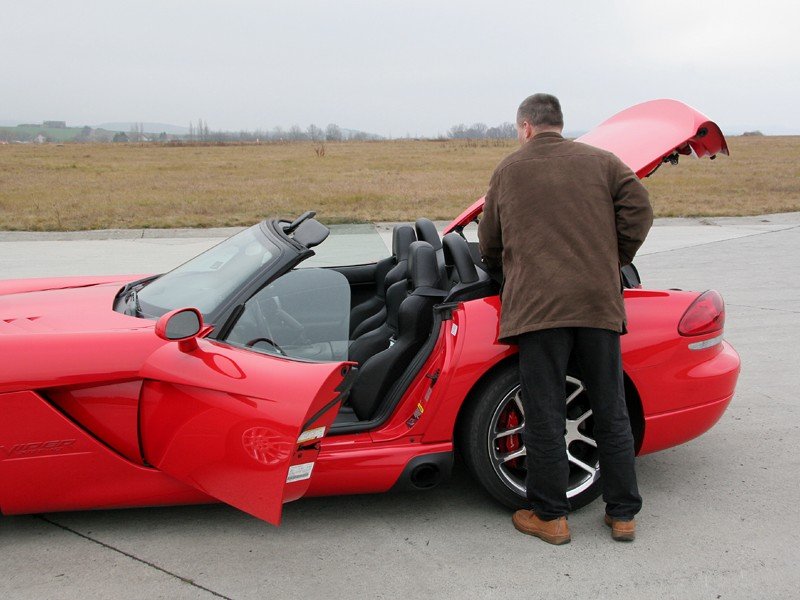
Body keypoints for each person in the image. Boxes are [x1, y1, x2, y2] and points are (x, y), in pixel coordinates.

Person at [478, 93, 653, 545]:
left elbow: (489, 239)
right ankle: (623, 514)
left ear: (525, 127)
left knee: (544, 411)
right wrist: (614, 257)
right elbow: (640, 209)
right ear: (559, 123)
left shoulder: (509, 170)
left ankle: (551, 517)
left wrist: (503, 267)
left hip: (539, 309)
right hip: (597, 305)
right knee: (610, 408)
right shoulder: (604, 161)